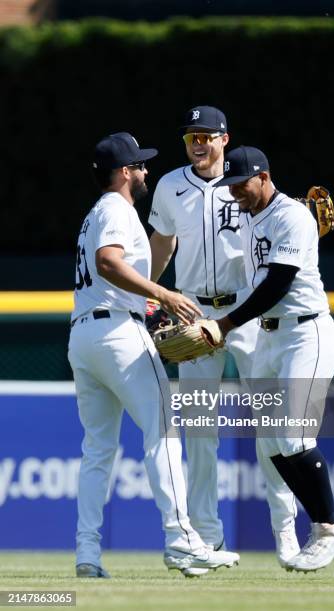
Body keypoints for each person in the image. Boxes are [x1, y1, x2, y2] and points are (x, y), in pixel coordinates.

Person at [67, 131, 240, 578]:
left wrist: (144, 299)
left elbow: (107, 273)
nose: (146, 171)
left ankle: (87, 553)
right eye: (139, 165)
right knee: (163, 431)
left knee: (97, 450)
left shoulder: (94, 213)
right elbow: (108, 261)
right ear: (124, 173)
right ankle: (182, 540)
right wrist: (161, 293)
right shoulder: (116, 210)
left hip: (85, 335)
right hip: (118, 336)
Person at [149, 107, 299, 576]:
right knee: (198, 431)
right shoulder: (170, 185)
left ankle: (287, 535)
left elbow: (279, 222)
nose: (197, 142)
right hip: (192, 310)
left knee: (273, 426)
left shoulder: (245, 181)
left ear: (224, 138)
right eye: (191, 136)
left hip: (247, 312)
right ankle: (206, 539)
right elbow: (162, 242)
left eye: (206, 135)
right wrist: (151, 297)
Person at [215, 145, 334, 572]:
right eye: (230, 185)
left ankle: (330, 529)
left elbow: (277, 284)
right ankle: (326, 527)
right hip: (272, 338)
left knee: (293, 436)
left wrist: (225, 325)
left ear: (263, 176)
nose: (235, 191)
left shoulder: (292, 216)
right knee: (274, 443)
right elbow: (256, 283)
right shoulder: (252, 218)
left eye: (241, 184)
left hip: (306, 333)